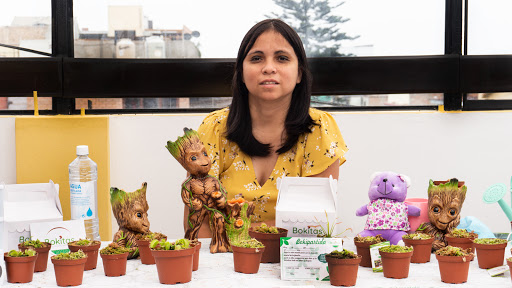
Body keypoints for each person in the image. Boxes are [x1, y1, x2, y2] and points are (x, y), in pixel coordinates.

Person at [187, 19, 348, 237]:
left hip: (294, 262)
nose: (269, 68)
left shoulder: (319, 130)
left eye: (282, 58)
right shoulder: (213, 128)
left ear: (299, 73)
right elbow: (197, 223)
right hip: (222, 261)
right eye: (256, 58)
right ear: (242, 73)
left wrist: (239, 233)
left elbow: (315, 224)